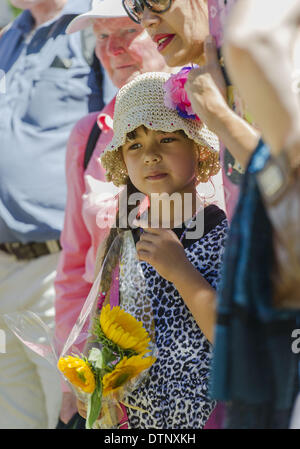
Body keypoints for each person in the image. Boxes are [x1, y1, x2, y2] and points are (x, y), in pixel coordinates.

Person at [77, 72, 228, 429]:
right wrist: (92, 381)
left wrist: (180, 271)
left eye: (166, 138)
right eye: (135, 145)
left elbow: (233, 341)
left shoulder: (225, 237)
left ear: (199, 148)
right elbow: (103, 333)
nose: (151, 156)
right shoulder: (122, 243)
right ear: (123, 163)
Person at [54, 0, 170, 426]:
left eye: (126, 33)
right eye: (101, 36)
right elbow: (72, 269)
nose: (112, 50)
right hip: (106, 375)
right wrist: (73, 380)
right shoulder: (87, 136)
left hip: (187, 368)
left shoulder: (206, 126)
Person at [0, 0, 113, 429]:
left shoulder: (93, 26)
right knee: (14, 416)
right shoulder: (11, 36)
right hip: (5, 269)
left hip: (58, 269)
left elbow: (114, 128)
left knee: (70, 412)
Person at [122, 0, 260, 175]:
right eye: (138, 7)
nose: (146, 20)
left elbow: (291, 175)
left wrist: (220, 118)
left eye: (158, 0)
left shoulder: (265, 55)